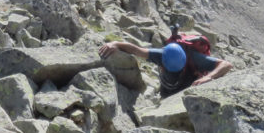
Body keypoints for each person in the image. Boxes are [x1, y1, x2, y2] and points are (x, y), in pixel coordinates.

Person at [98, 40, 233, 98]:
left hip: (187, 91)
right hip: (166, 92)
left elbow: (226, 65)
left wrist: (209, 76)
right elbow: (135, 49)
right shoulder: (161, 54)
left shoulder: (195, 58)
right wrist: (114, 44)